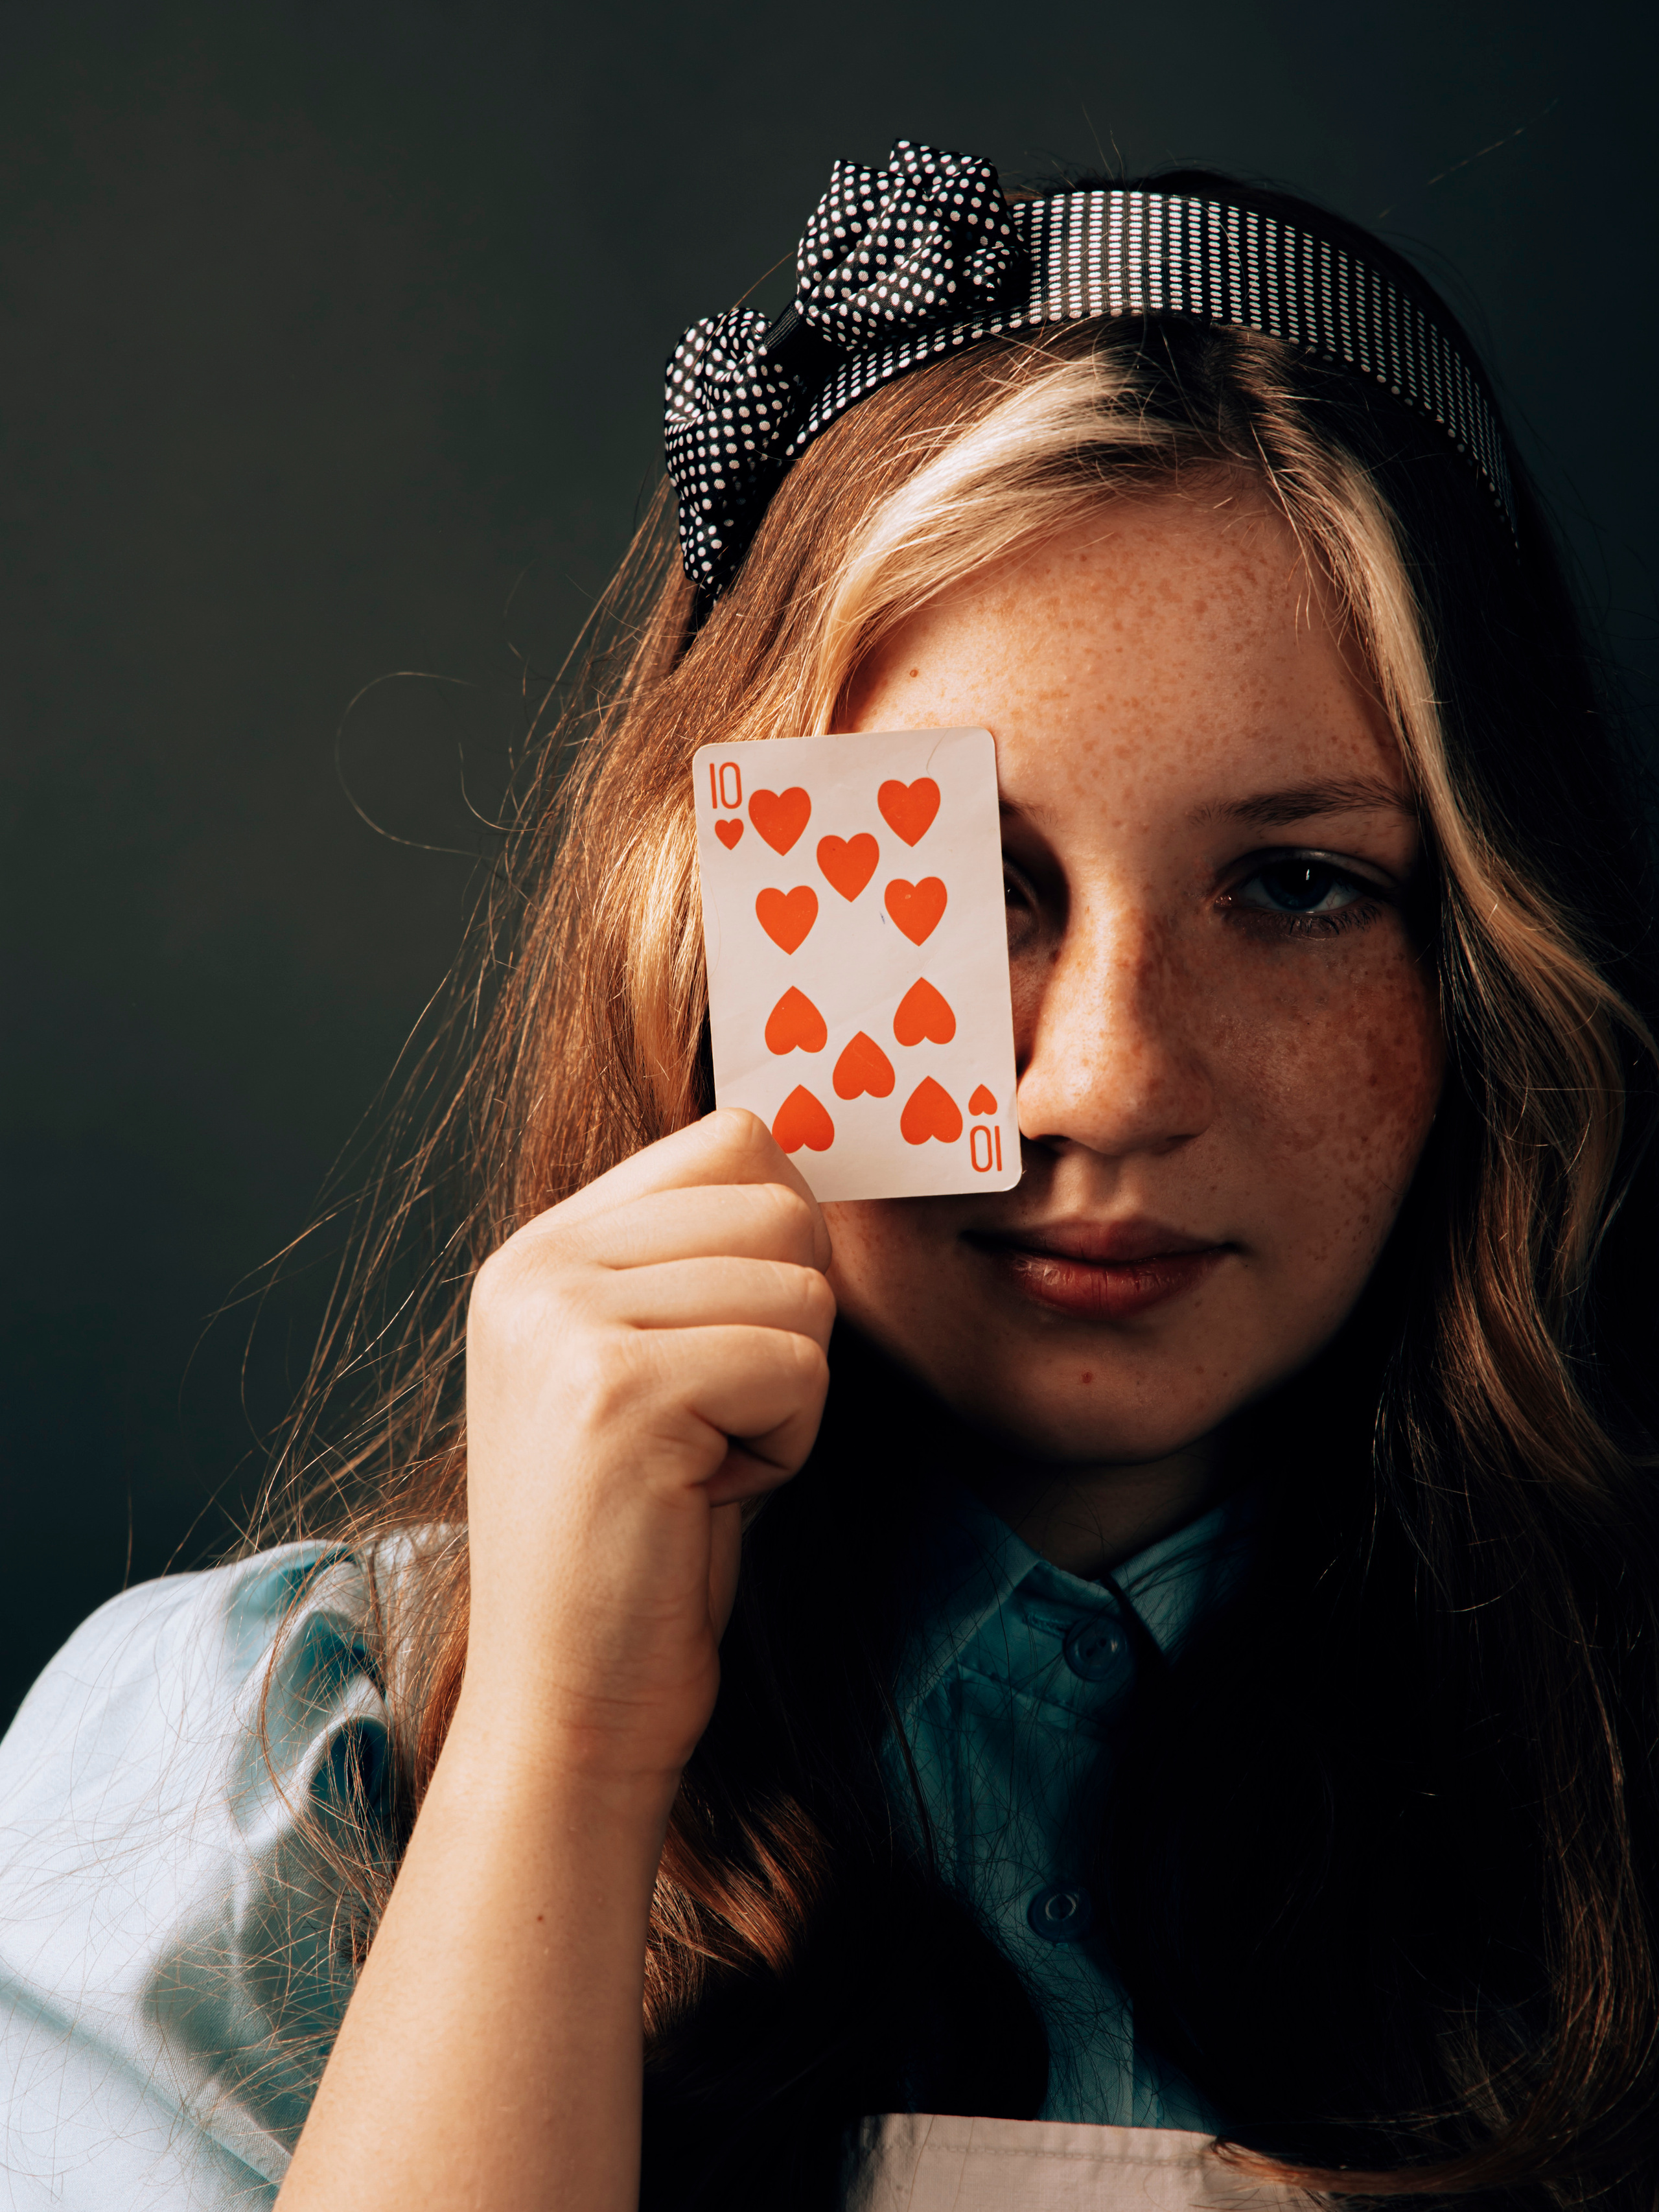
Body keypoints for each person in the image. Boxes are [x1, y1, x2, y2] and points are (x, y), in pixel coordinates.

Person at [2, 140, 1656, 2212]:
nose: (1112, 1084)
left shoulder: (1604, 1781)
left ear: (1488, 969)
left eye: (1302, 883)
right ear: (697, 924)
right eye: (972, 884)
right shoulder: (261, 1778)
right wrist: (558, 1754)